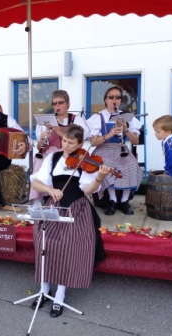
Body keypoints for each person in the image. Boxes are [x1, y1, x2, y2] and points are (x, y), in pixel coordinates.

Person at [30, 124, 108, 318]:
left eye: (71, 142)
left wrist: (99, 176)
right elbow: (36, 181)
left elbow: (88, 190)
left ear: (81, 143)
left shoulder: (86, 161)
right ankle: (44, 290)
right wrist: (49, 190)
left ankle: (60, 295)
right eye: (64, 140)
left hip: (76, 207)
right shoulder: (53, 157)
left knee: (66, 245)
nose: (65, 145)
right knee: (43, 242)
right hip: (53, 206)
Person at [86, 85, 143, 215]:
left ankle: (124, 201)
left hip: (121, 148)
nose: (114, 100)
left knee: (132, 165)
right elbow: (93, 142)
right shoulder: (98, 117)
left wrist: (126, 129)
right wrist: (110, 134)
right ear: (105, 100)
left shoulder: (128, 117)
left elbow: (135, 141)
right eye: (111, 97)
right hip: (103, 149)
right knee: (108, 164)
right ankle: (112, 199)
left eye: (117, 97)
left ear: (121, 100)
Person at [29, 90, 90, 206]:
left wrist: (59, 131)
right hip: (50, 152)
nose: (57, 106)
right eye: (55, 103)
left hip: (69, 152)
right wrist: (42, 139)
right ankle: (37, 203)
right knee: (39, 161)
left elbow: (80, 141)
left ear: (68, 103)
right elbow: (39, 148)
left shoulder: (76, 120)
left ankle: (59, 197)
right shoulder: (45, 121)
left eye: (60, 103)